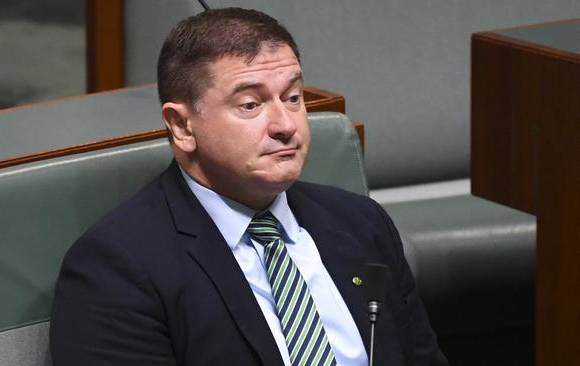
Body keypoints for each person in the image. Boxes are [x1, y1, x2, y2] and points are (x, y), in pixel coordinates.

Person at [50, 7, 448, 366]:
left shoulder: (361, 222)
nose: (286, 125)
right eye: (250, 105)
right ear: (182, 126)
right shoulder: (117, 270)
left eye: (293, 97)